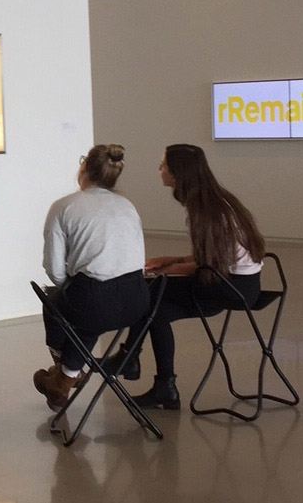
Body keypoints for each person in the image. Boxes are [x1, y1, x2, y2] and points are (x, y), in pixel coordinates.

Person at [103, 143, 266, 410]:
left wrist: (166, 270)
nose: (159, 169)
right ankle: (160, 384)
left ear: (178, 174)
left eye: (163, 165)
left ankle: (130, 358)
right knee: (157, 310)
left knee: (150, 292)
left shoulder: (204, 212)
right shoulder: (216, 200)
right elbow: (211, 257)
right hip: (243, 284)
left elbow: (211, 265)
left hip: (229, 287)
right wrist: (173, 260)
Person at [32, 144, 151, 412]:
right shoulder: (127, 206)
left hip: (94, 303)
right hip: (137, 302)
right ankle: (67, 374)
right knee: (87, 311)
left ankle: (64, 375)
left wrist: (73, 288)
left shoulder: (64, 206)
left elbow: (54, 270)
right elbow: (138, 260)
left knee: (56, 301)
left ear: (83, 166)